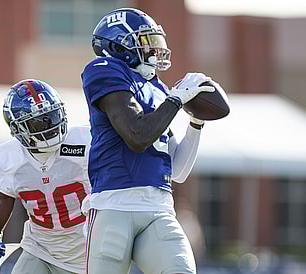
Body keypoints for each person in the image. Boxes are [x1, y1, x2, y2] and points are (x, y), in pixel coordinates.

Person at [81, 8, 220, 274]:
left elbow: (177, 171)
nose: (155, 50)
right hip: (114, 206)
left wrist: (196, 121)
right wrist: (176, 101)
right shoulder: (104, 70)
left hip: (158, 208)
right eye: (146, 41)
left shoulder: (158, 88)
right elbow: (137, 136)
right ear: (119, 44)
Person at [0, 79, 91, 274]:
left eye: (51, 116)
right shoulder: (8, 159)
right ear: (18, 129)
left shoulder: (85, 142)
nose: (49, 125)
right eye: (38, 122)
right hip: (40, 250)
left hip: (87, 251)